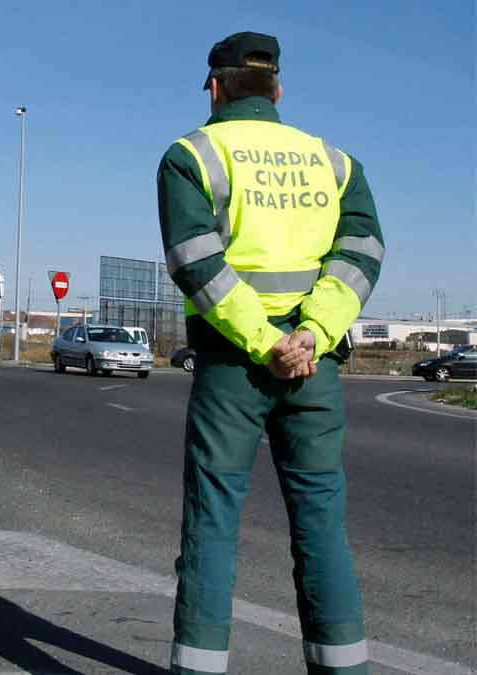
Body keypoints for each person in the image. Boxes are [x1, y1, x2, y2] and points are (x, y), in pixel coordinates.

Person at [157, 32, 383, 675]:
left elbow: (195, 262)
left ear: (215, 85)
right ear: (278, 88)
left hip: (234, 364)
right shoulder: (335, 163)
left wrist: (267, 341)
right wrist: (312, 333)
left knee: (213, 522)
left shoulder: (192, 156)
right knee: (321, 522)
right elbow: (362, 255)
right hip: (316, 366)